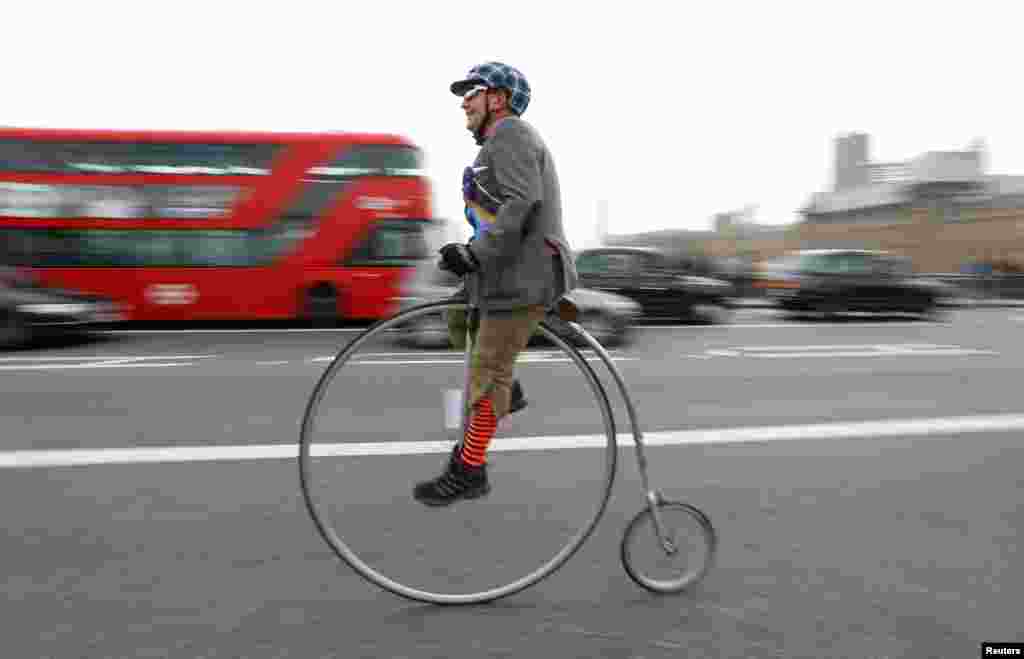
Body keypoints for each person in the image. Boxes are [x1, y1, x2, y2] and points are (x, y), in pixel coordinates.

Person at [413, 62, 577, 506]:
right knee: (456, 315)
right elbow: (496, 213)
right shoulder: (496, 145)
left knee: (487, 374)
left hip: (524, 275)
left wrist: (475, 254)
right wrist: (470, 251)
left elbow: (520, 204)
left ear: (498, 98)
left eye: (473, 92)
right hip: (503, 272)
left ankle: (470, 469)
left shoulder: (512, 135)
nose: (464, 101)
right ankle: (509, 386)